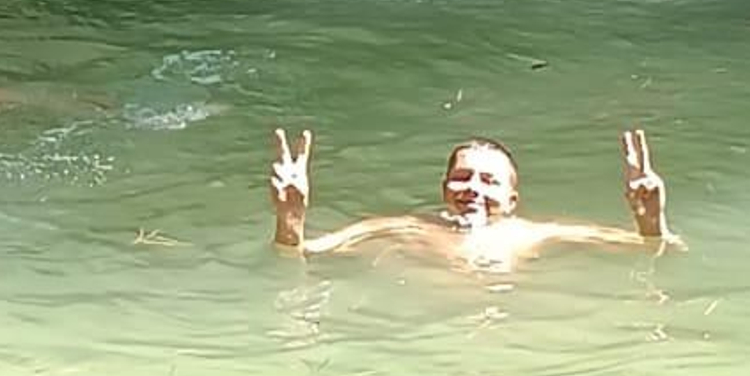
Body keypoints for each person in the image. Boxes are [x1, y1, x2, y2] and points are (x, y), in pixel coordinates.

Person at [268, 123, 682, 265]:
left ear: (513, 200)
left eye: (489, 181)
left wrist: (650, 222)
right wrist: (290, 218)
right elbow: (304, 253)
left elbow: (653, 250)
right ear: (444, 188)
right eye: (462, 177)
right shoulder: (405, 227)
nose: (473, 189)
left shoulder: (533, 234)